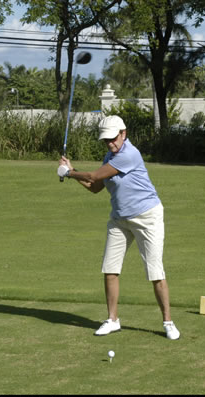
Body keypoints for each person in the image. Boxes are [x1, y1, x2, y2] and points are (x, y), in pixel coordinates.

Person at [57, 115, 180, 340]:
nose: (110, 143)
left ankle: (168, 322)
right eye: (106, 140)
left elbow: (94, 175)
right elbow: (95, 187)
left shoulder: (130, 154)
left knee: (155, 272)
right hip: (119, 219)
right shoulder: (110, 156)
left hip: (146, 217)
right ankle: (112, 320)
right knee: (110, 269)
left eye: (113, 139)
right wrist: (73, 172)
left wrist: (69, 173)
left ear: (123, 133)